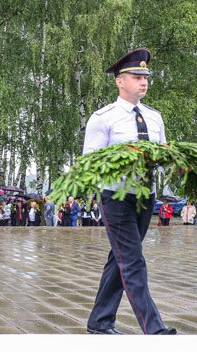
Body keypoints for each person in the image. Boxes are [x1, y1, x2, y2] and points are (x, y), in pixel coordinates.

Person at [82, 48, 175, 335]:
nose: (143, 82)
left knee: (120, 258)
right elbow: (90, 161)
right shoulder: (103, 118)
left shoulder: (155, 118)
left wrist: (174, 163)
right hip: (116, 198)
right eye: (136, 76)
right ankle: (154, 329)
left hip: (145, 198)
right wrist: (125, 157)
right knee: (133, 260)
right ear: (119, 81)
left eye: (146, 76)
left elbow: (161, 158)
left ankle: (100, 322)